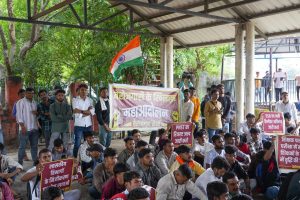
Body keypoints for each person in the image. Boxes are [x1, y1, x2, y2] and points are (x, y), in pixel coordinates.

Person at [16, 87, 39, 165]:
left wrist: (37, 113)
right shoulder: (20, 102)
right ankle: (20, 164)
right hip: (25, 128)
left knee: (34, 146)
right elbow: (18, 116)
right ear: (25, 93)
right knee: (22, 147)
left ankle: (35, 163)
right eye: (29, 93)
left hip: (34, 128)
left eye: (32, 93)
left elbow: (36, 116)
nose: (31, 95)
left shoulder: (34, 102)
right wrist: (22, 127)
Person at [72, 83, 95, 157]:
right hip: (79, 125)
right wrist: (86, 112)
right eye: (82, 90)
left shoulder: (90, 100)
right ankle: (75, 159)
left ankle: (87, 157)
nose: (84, 91)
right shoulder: (75, 100)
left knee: (89, 143)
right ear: (78, 91)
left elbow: (92, 112)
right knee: (77, 143)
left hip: (88, 125)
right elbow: (76, 112)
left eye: (85, 90)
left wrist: (81, 111)